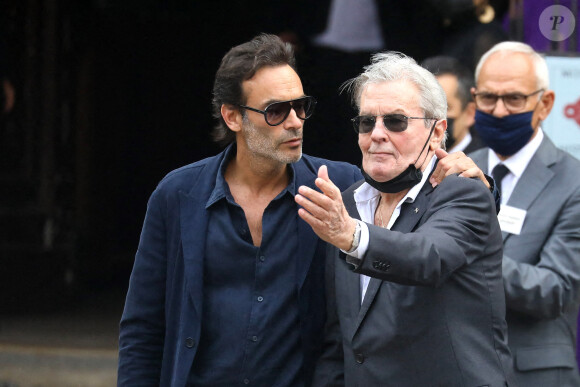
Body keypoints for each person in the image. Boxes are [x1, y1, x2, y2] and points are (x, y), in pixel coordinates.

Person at [118, 34, 495, 386]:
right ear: (233, 116)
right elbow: (143, 324)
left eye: (301, 107)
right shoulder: (179, 194)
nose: (296, 121)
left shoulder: (338, 190)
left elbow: (429, 226)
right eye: (276, 111)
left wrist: (477, 181)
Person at [296, 52, 514, 386]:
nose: (378, 134)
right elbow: (342, 335)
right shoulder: (349, 204)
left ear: (437, 130)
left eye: (396, 121)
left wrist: (352, 236)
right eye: (367, 122)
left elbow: (429, 256)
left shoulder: (463, 192)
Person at [469, 41, 580, 386]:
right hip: (461, 366)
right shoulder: (458, 172)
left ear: (544, 104)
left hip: (533, 374)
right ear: (474, 100)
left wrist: (470, 258)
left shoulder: (573, 181)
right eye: (488, 98)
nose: (499, 111)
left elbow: (556, 289)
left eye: (514, 98)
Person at [421, 55, 483, 154]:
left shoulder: (485, 166)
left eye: (443, 108)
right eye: (424, 107)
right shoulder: (404, 162)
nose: (432, 115)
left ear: (470, 113)